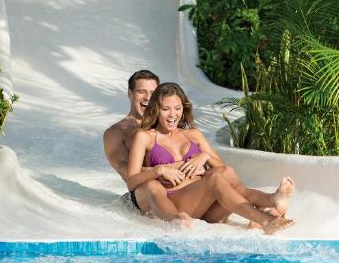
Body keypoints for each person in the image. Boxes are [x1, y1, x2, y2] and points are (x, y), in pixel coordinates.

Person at [128, 82, 295, 235]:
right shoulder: (145, 137)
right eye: (166, 109)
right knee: (214, 178)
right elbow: (132, 181)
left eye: (177, 108)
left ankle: (272, 200)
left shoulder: (193, 134)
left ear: (183, 108)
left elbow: (223, 169)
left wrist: (204, 156)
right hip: (174, 202)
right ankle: (265, 219)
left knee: (225, 171)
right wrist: (160, 169)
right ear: (156, 109)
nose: (173, 115)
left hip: (204, 204)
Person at [103, 70, 191, 223]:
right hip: (144, 196)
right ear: (130, 94)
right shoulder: (116, 133)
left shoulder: (169, 121)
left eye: (152, 92)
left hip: (175, 190)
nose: (148, 97)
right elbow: (127, 173)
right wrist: (166, 169)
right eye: (141, 92)